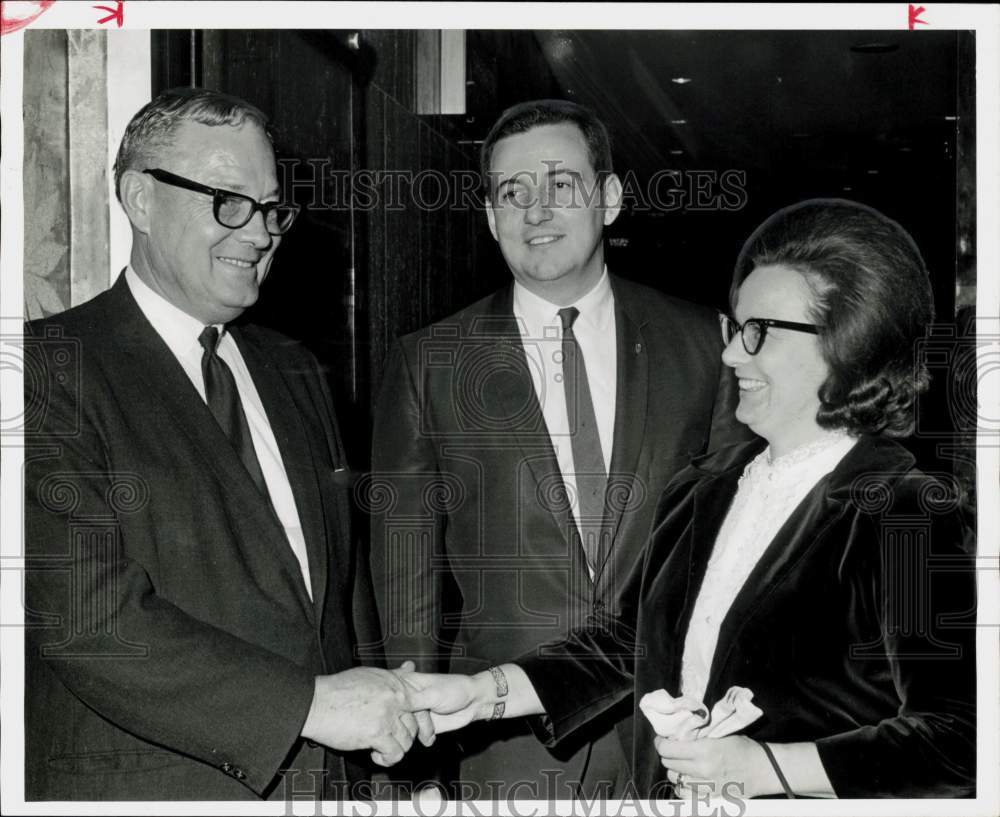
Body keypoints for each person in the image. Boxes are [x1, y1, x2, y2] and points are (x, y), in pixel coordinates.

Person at [402, 199, 978, 798]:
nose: (730, 354)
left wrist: (764, 768)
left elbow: (960, 741)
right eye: (735, 328)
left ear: (845, 345)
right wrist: (481, 694)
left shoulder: (904, 510)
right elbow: (626, 643)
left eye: (758, 333)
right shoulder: (705, 487)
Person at [23, 87, 430, 801]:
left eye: (272, 208)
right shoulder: (46, 367)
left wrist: (378, 766)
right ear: (140, 199)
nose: (259, 232)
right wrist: (313, 706)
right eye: (229, 201)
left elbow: (342, 598)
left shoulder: (297, 370)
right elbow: (89, 618)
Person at [369, 99, 749, 800]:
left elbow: (735, 546)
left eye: (560, 186)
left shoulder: (702, 345)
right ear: (489, 216)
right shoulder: (431, 362)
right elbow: (405, 564)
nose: (535, 211)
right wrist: (414, 723)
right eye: (512, 193)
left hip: (671, 738)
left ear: (608, 199)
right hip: (500, 745)